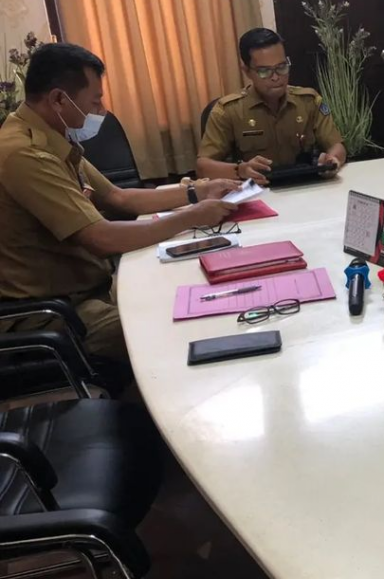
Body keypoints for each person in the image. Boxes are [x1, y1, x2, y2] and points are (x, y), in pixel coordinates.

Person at [0, 43, 239, 366]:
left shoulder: (51, 136)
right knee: (182, 323)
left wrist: (198, 192)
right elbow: (101, 238)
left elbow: (118, 197)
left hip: (89, 290)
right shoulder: (25, 153)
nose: (101, 110)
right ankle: (152, 413)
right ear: (58, 99)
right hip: (57, 312)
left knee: (191, 293)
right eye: (95, 100)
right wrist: (191, 217)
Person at [197, 28, 346, 185]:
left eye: (282, 67)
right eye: (264, 71)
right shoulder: (228, 111)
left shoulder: (308, 101)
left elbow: (336, 145)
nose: (276, 77)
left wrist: (333, 159)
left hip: (303, 187)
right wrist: (240, 170)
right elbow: (202, 167)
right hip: (257, 192)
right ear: (247, 71)